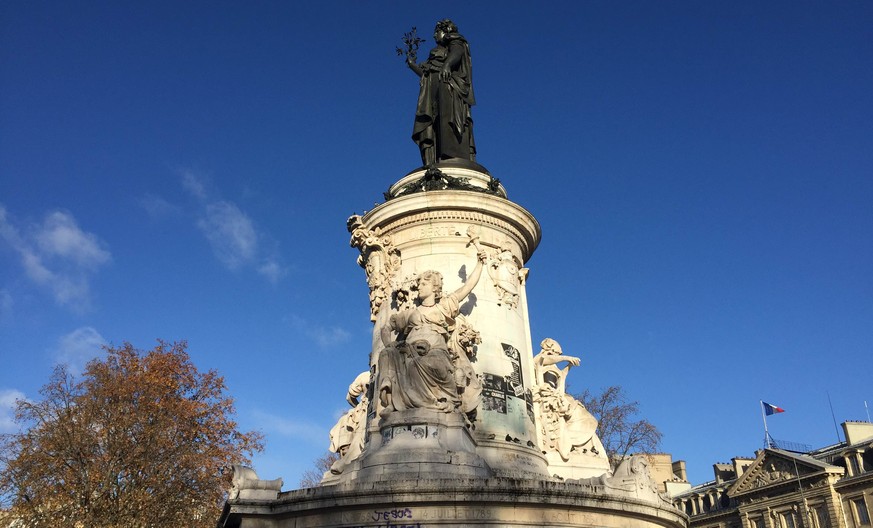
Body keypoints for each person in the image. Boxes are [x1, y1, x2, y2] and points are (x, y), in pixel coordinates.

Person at [377, 249, 487, 414]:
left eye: (423, 284)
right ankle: (392, 401)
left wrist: (480, 263)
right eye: (419, 283)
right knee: (387, 354)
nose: (419, 287)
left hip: (435, 350)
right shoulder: (411, 314)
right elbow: (386, 327)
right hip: (409, 350)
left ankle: (446, 401)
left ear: (435, 287)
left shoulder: (443, 307)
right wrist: (390, 344)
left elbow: (467, 287)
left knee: (426, 363)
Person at [407, 19, 476, 166]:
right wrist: (412, 65)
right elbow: (427, 74)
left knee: (446, 122)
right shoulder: (437, 57)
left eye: (436, 32)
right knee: (434, 125)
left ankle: (451, 155)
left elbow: (457, 53)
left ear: (445, 31)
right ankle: (434, 160)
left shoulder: (455, 41)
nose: (434, 36)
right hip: (432, 95)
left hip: (448, 91)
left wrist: (447, 65)